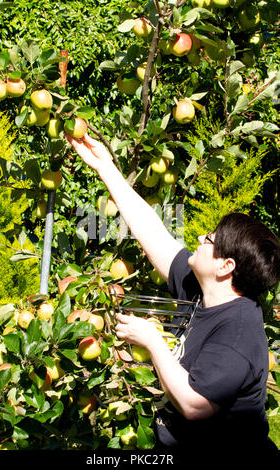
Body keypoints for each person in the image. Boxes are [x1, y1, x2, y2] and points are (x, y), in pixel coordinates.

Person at [66, 133, 280, 462]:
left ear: (226, 266)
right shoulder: (204, 288)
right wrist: (104, 165)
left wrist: (153, 342)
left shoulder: (237, 334)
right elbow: (153, 232)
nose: (198, 237)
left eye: (208, 239)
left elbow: (195, 404)